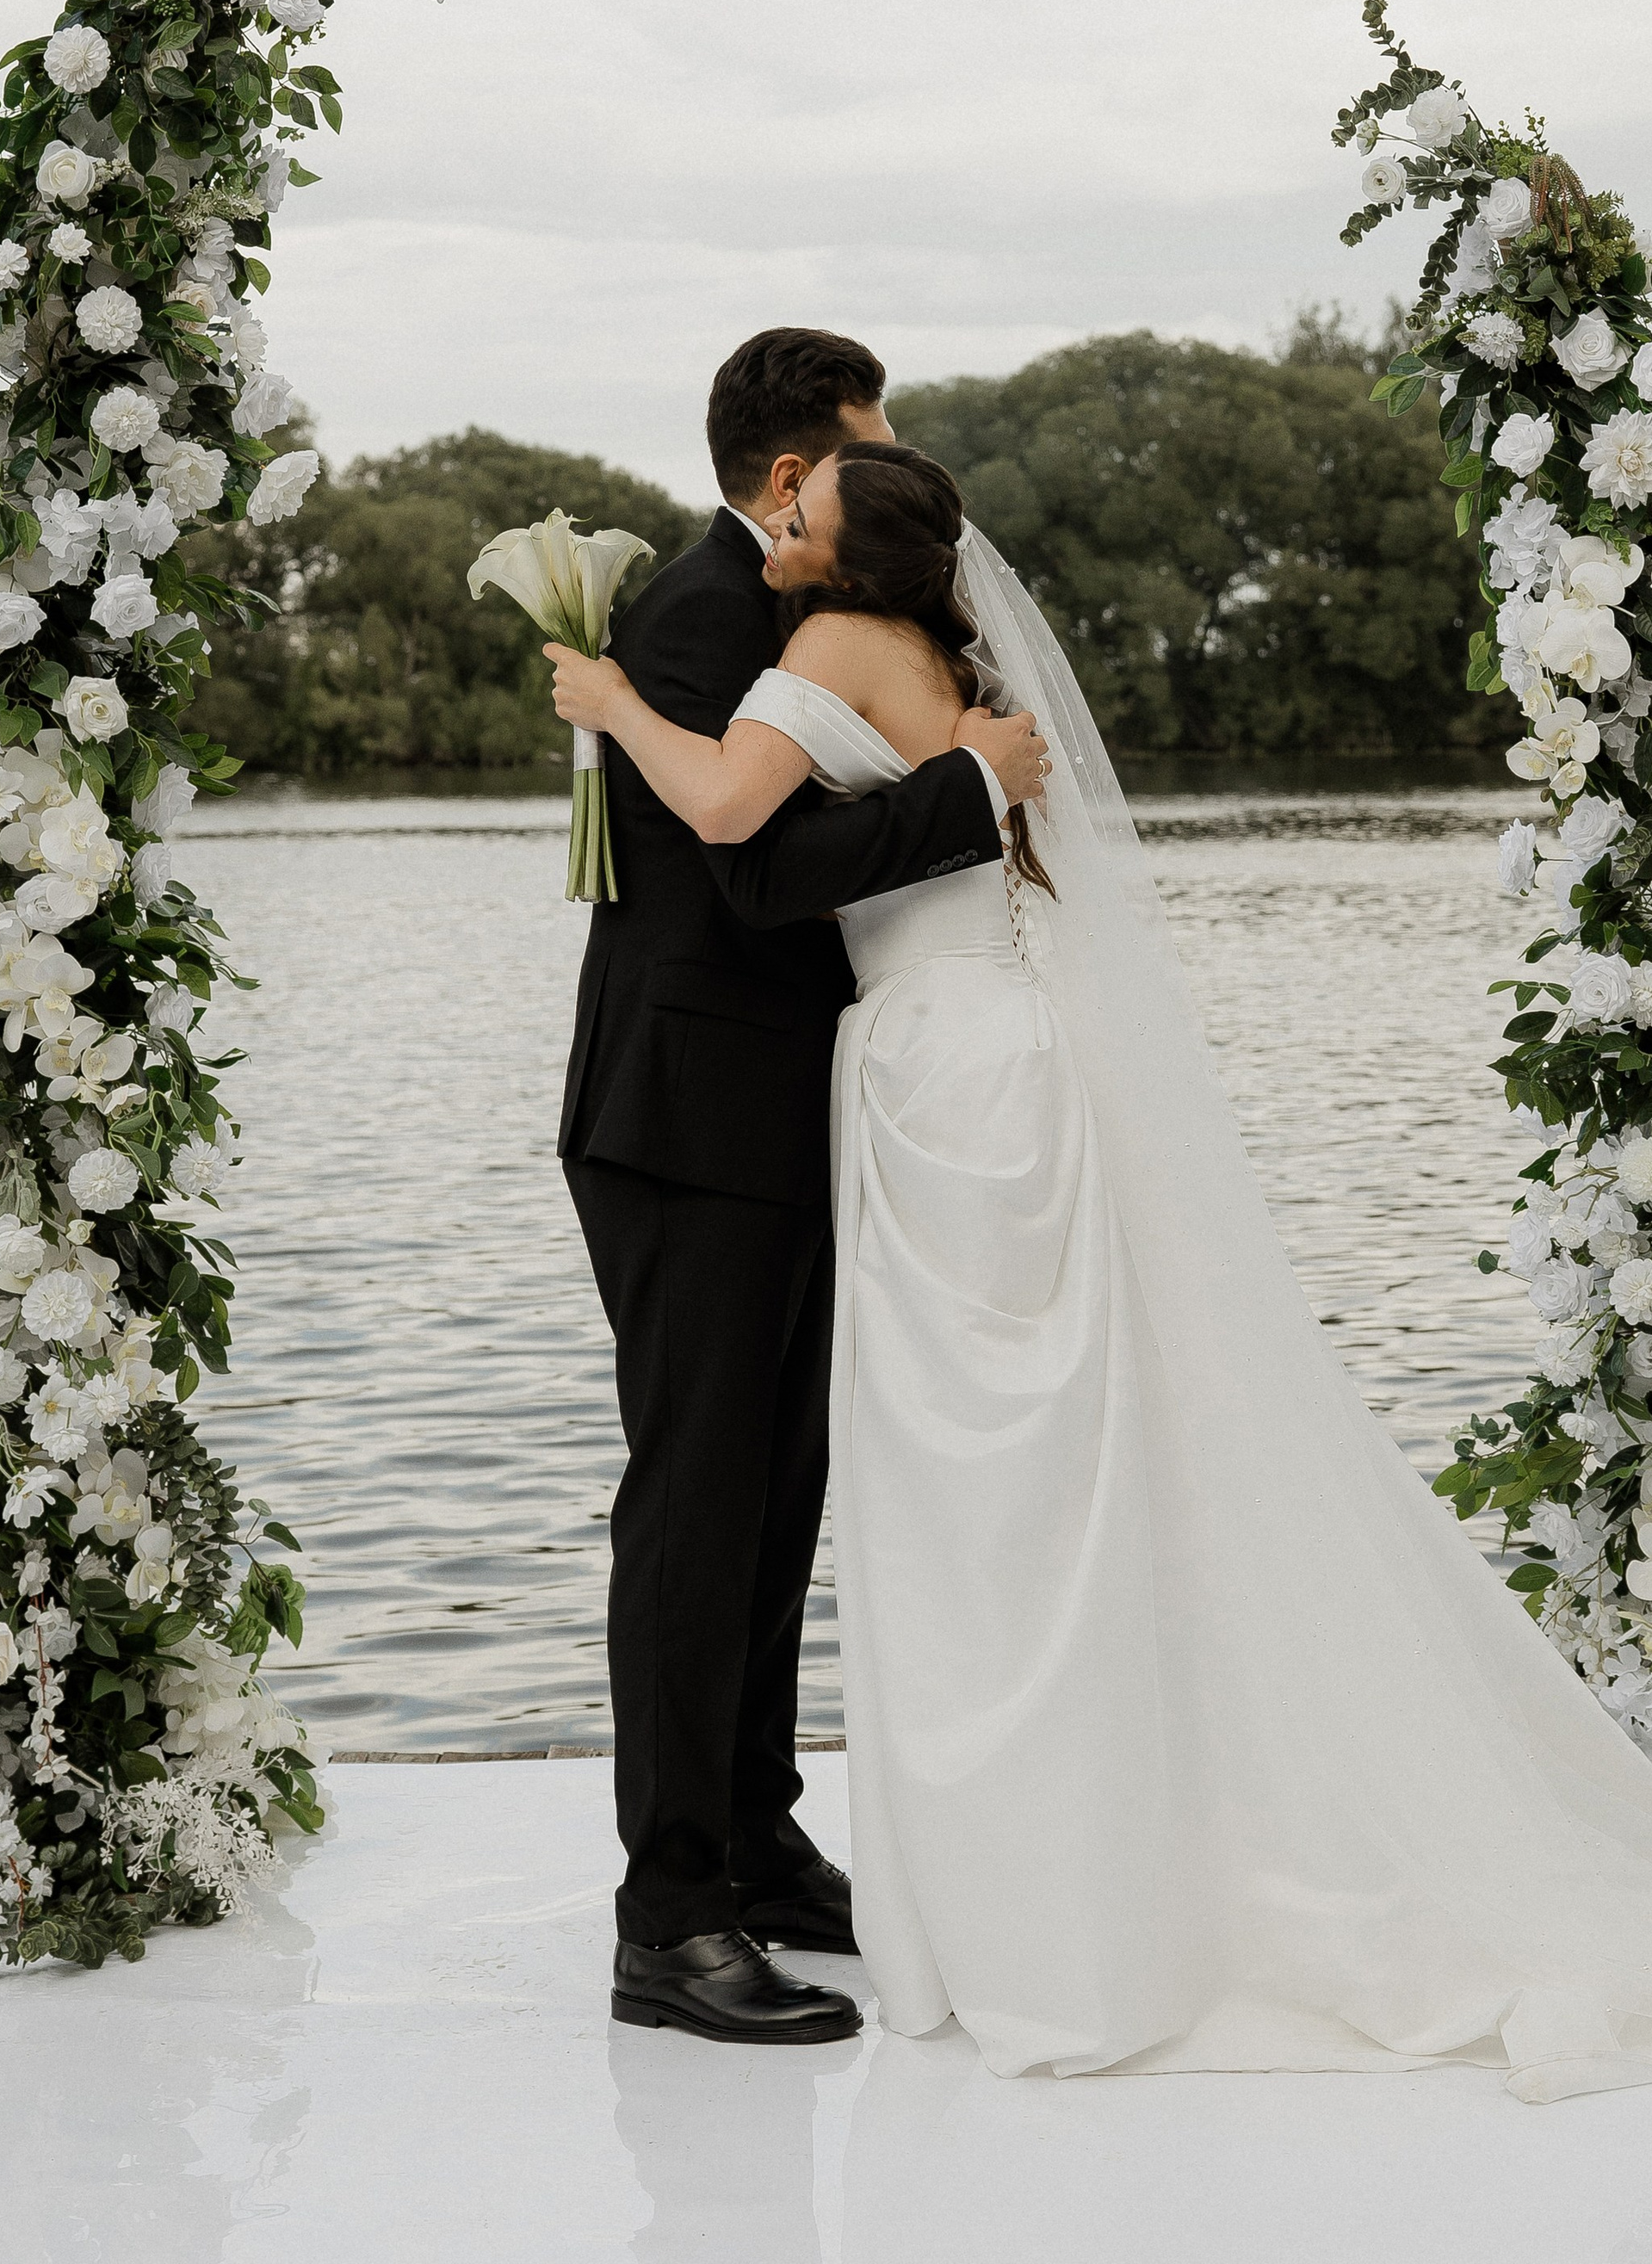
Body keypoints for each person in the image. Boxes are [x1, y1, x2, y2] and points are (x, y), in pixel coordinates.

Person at [551, 439, 1652, 2101]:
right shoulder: (807, 632)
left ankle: (891, 1863)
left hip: (936, 1077)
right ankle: (778, 1883)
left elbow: (729, 822)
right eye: (807, 485)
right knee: (936, 1473)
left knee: (959, 1479)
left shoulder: (809, 644)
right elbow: (780, 862)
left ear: (847, 553)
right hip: (875, 1077)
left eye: (811, 517)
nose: (786, 533)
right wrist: (946, 780)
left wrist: (616, 711)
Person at [557, 331, 1048, 2048]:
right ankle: (668, 1914)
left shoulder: (784, 608)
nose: (890, 458)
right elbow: (752, 877)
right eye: (867, 439)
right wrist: (963, 791)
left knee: (775, 1495)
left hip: (794, 1118)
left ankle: (756, 1840)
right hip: (686, 1119)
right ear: (793, 474)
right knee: (698, 1506)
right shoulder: (691, 621)